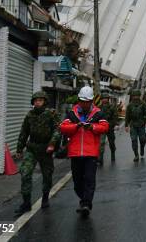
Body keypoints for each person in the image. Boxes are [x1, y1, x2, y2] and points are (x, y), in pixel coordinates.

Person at [59, 86, 109, 217]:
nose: (85, 103)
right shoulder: (72, 113)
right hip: (75, 153)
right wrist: (76, 126)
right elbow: (63, 127)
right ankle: (83, 199)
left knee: (89, 179)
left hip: (91, 153)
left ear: (92, 101)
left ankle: (86, 203)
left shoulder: (98, 113)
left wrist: (92, 127)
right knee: (77, 182)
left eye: (87, 101)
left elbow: (105, 127)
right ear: (79, 100)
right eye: (82, 101)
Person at [14, 91, 61, 215]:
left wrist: (52, 144)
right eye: (35, 100)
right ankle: (26, 203)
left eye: (40, 100)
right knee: (25, 173)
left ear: (44, 101)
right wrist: (19, 149)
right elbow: (24, 132)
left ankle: (45, 197)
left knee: (47, 175)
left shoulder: (51, 114)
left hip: (46, 149)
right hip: (32, 148)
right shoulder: (30, 115)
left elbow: (57, 130)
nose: (37, 102)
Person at [124, 89, 146, 162]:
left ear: (139, 96)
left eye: (137, 96)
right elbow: (127, 116)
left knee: (143, 139)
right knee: (134, 140)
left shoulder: (143, 104)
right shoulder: (129, 105)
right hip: (133, 125)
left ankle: (142, 148)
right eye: (134, 96)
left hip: (141, 125)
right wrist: (126, 125)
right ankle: (136, 155)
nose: (135, 97)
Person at [98, 92, 119, 164]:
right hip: (102, 127)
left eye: (106, 98)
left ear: (108, 99)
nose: (104, 100)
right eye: (103, 98)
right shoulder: (98, 108)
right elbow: (96, 117)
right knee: (101, 143)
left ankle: (113, 153)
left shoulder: (112, 107)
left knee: (111, 142)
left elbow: (115, 116)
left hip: (110, 127)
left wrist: (116, 124)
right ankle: (100, 158)